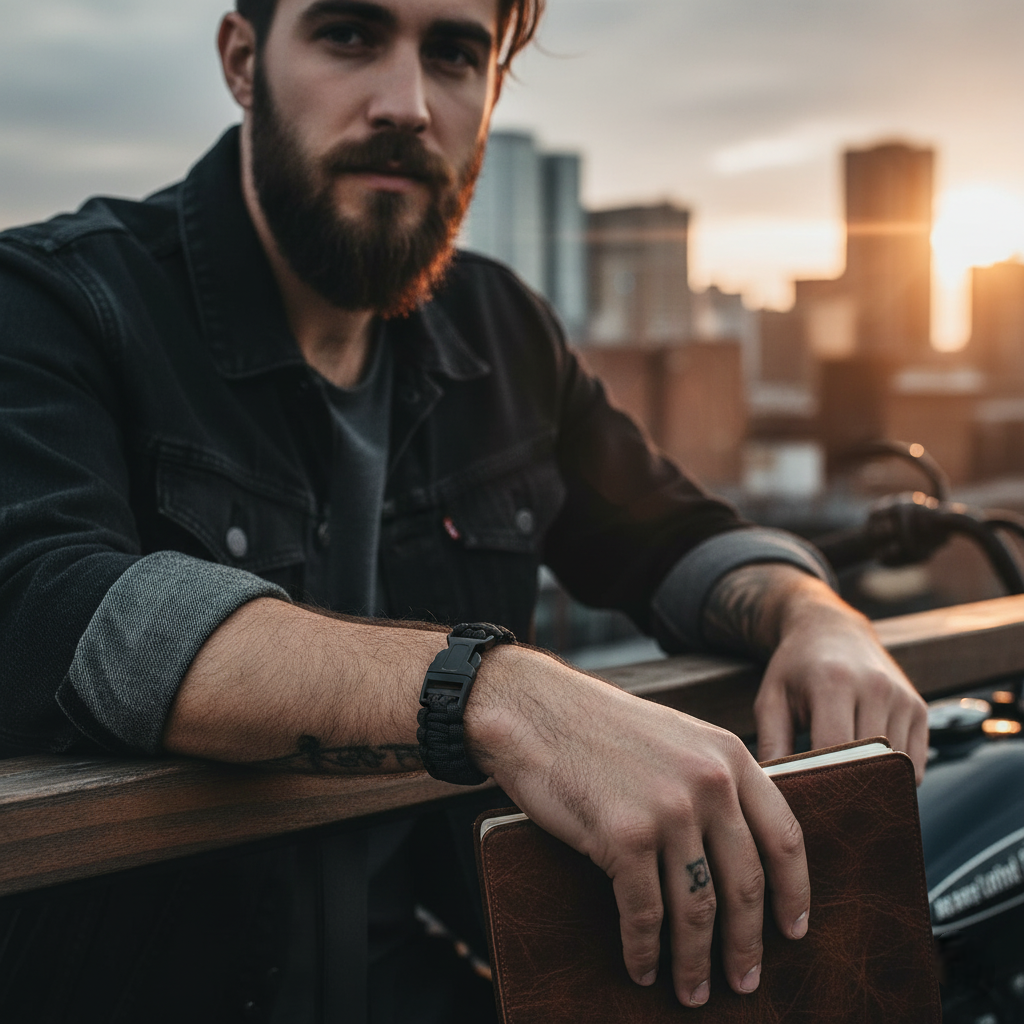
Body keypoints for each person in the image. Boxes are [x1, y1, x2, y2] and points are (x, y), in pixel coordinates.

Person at [0, 0, 929, 1020]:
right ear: (241, 59)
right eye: (349, 34)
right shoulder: (56, 299)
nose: (405, 104)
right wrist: (501, 696)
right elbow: (53, 604)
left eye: (453, 52)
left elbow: (669, 533)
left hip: (443, 981)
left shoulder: (502, 327)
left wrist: (815, 615)